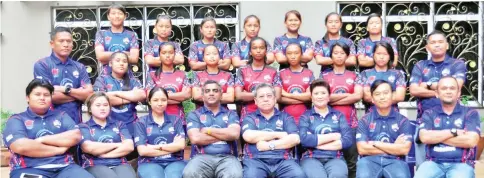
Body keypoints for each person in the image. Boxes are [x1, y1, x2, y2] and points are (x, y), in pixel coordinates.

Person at [2, 79, 94, 178]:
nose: (42, 98)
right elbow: (21, 146)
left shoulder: (61, 116)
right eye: (37, 94)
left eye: (46, 95)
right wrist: (60, 150)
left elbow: (76, 136)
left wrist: (41, 140)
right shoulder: (16, 119)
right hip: (30, 168)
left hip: (65, 167)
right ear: (27, 98)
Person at [409, 30, 466, 166]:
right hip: (424, 120)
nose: (437, 45)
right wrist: (440, 90)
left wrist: (428, 85)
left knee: (453, 164)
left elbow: (456, 86)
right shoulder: (420, 66)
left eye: (440, 42)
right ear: (427, 47)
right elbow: (413, 90)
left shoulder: (457, 64)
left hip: (452, 119)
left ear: (447, 45)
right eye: (433, 42)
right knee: (424, 165)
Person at [414, 77, 480, 178]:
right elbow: (425, 138)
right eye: (444, 88)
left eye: (452, 88)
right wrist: (453, 132)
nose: (448, 91)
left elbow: (471, 141)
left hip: (461, 164)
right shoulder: (429, 113)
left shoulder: (470, 113)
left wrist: (436, 137)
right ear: (437, 93)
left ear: (458, 93)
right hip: (433, 163)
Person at [241, 83, 306, 178]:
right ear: (256, 101)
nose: (265, 99)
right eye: (261, 96)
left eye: (269, 96)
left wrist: (269, 145)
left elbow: (295, 139)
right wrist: (278, 134)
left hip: (283, 160)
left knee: (299, 175)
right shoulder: (249, 117)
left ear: (275, 99)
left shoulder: (286, 117)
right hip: (255, 160)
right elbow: (248, 136)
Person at [33, 26, 94, 124]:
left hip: (75, 123)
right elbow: (48, 96)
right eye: (61, 41)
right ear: (52, 44)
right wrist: (78, 95)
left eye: (69, 41)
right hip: (50, 123)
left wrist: (65, 90)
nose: (66, 44)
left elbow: (89, 95)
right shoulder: (42, 65)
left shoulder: (80, 67)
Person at [183, 80, 242, 178]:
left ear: (221, 95)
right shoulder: (194, 115)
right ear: (202, 96)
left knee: (234, 175)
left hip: (227, 158)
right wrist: (225, 136)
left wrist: (208, 131)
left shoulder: (231, 114)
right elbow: (196, 138)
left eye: (215, 91)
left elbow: (234, 134)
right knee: (189, 174)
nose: (211, 93)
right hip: (201, 157)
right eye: (207, 91)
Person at [320, 42, 363, 178]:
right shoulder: (324, 77)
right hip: (330, 124)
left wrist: (332, 98)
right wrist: (347, 95)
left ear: (347, 55)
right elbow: (322, 97)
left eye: (342, 53)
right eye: (335, 53)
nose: (339, 56)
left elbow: (358, 96)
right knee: (332, 160)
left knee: (352, 161)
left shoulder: (355, 75)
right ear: (331, 56)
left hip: (350, 124)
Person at [355, 80, 413, 178]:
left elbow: (404, 150)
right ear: (372, 99)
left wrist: (375, 144)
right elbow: (362, 149)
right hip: (369, 160)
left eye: (386, 93)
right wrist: (394, 147)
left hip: (395, 161)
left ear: (393, 95)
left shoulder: (403, 121)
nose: (382, 97)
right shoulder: (364, 120)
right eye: (377, 94)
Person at [299, 79, 353, 178]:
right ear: (311, 97)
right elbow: (304, 139)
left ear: (328, 97)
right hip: (311, 158)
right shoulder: (305, 116)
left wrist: (316, 143)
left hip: (335, 157)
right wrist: (334, 136)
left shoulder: (339, 116)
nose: (320, 96)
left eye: (323, 93)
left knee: (338, 175)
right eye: (316, 93)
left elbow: (348, 140)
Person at [79, 92, 136, 178]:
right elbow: (89, 147)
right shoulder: (84, 127)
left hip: (120, 163)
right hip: (94, 164)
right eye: (98, 105)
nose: (102, 108)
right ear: (90, 108)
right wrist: (118, 144)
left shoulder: (119, 124)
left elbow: (129, 147)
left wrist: (103, 154)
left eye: (105, 105)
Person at [134, 86, 187, 178]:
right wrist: (171, 147)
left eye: (163, 100)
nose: (160, 103)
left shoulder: (176, 120)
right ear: (149, 102)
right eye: (155, 100)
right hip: (149, 162)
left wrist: (154, 147)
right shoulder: (141, 122)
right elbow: (142, 151)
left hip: (174, 161)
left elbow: (181, 145)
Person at [93, 52, 146, 135]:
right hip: (109, 125)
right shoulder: (102, 80)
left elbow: (142, 96)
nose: (121, 64)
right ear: (110, 63)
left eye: (125, 61)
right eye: (118, 61)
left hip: (131, 124)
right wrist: (131, 97)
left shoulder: (134, 81)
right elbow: (101, 99)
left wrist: (114, 94)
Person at [235, 37, 282, 119]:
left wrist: (248, 94)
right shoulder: (242, 70)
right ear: (250, 52)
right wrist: (266, 94)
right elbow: (238, 95)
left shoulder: (273, 71)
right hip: (247, 115)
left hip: (269, 116)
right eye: (254, 48)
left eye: (261, 48)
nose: (258, 50)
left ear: (266, 51)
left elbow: (277, 96)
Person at [356, 41, 406, 111]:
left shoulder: (398, 74)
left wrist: (375, 95)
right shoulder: (365, 74)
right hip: (371, 116)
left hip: (393, 115)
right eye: (378, 54)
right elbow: (367, 96)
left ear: (390, 56)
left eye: (385, 54)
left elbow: (399, 96)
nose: (381, 57)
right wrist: (391, 94)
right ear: (373, 55)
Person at [146, 43, 192, 119]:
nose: (167, 55)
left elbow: (187, 95)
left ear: (174, 55)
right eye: (164, 53)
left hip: (179, 119)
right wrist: (177, 99)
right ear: (159, 55)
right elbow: (150, 97)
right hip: (157, 120)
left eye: (170, 53)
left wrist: (162, 98)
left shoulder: (183, 74)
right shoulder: (152, 75)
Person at [95, 4, 139, 76]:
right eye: (113, 13)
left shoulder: (132, 35)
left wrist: (108, 55)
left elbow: (134, 59)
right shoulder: (101, 34)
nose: (116, 16)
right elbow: (100, 56)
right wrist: (126, 53)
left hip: (127, 78)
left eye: (120, 13)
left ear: (125, 16)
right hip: (106, 77)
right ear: (108, 16)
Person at [278, 43, 314, 124]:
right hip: (285, 119)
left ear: (301, 55)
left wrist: (287, 94)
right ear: (285, 55)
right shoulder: (280, 74)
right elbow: (278, 98)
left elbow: (310, 97)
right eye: (289, 53)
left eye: (296, 53)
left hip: (306, 119)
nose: (293, 56)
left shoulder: (309, 73)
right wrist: (302, 98)